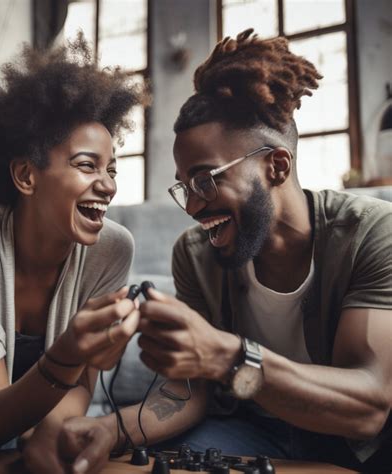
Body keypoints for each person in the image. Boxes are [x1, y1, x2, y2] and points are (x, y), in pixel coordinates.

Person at [27, 29, 392, 474]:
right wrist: (112, 429)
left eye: (205, 180)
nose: (194, 206)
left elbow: (369, 408)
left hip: (360, 445)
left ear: (276, 166)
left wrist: (227, 354)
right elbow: (186, 391)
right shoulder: (196, 255)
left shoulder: (372, 233)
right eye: (184, 187)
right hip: (253, 428)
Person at [0, 35, 148, 460]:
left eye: (112, 169)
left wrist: (48, 437)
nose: (109, 185)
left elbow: (80, 387)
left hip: (20, 431)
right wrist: (69, 352)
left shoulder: (112, 248)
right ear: (26, 175)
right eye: (87, 165)